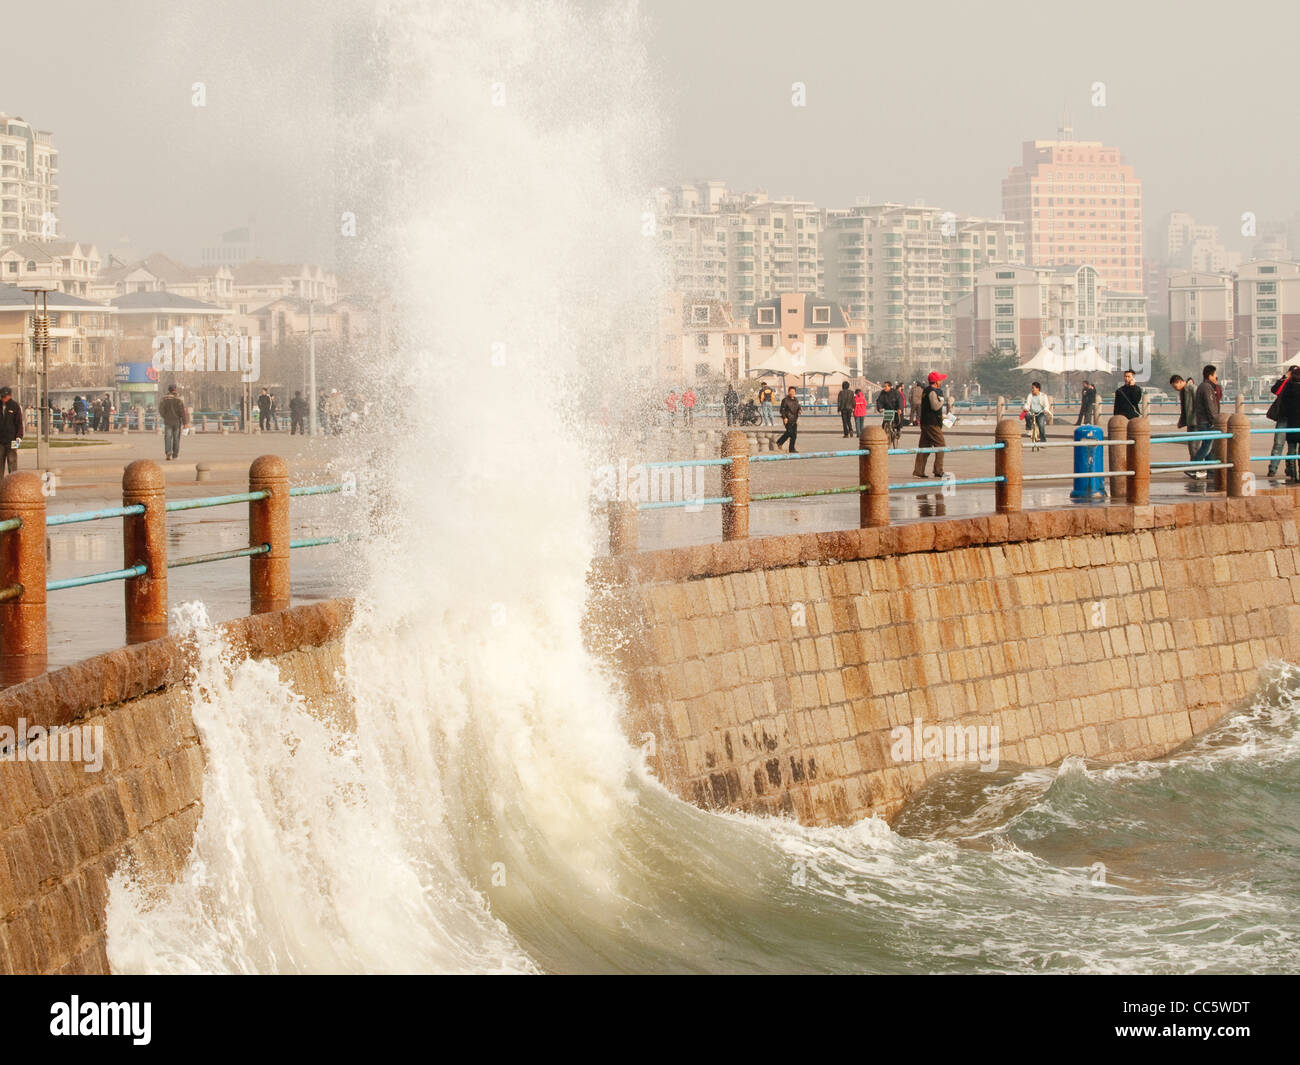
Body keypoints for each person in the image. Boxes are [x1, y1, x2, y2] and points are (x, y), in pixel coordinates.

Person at [913, 371, 948, 479]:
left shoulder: (926, 391)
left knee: (924, 447)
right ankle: (938, 470)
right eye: (940, 380)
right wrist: (942, 400)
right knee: (941, 445)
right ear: (936, 381)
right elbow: (935, 406)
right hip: (932, 424)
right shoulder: (932, 392)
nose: (941, 381)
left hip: (926, 422)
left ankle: (918, 471)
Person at [1266, 366, 1298, 481]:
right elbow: (1275, 390)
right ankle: (1273, 468)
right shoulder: (1285, 384)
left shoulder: (1297, 385)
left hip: (1294, 419)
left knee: (1292, 446)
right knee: (1278, 444)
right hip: (1283, 418)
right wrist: (1284, 378)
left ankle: (1290, 468)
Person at [1189, 364, 1221, 478]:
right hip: (1206, 422)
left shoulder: (1205, 386)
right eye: (1215, 374)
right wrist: (1214, 420)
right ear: (1210, 375)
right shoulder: (1206, 387)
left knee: (1209, 447)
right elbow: (1210, 405)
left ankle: (1211, 471)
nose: (1216, 377)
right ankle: (1193, 467)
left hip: (1203, 420)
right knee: (1206, 446)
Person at [1275, 364, 1300, 482]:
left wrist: (1284, 378)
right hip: (1297, 424)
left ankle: (1293, 474)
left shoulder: (1287, 389)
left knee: (1291, 450)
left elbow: (1276, 391)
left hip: (1290, 424)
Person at [158, 384, 189, 461]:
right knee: (176, 438)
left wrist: (165, 416)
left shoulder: (164, 399)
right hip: (177, 422)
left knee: (168, 437)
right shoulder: (179, 399)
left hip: (168, 421)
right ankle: (175, 455)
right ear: (175, 390)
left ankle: (168, 452)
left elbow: (161, 410)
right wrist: (185, 423)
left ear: (169, 390)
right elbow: (182, 412)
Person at [1171, 374, 1198, 462]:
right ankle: (1194, 466)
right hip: (1190, 421)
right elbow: (1184, 409)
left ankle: (1197, 467)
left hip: (1195, 422)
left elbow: (1198, 404)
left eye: (1175, 386)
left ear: (1180, 382)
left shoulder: (1192, 388)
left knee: (1194, 446)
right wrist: (1182, 421)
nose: (1175, 389)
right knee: (1192, 446)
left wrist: (1196, 417)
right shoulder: (1183, 391)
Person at [1022, 381, 1051, 450]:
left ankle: (1043, 442)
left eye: (1033, 388)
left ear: (1038, 388)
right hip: (1032, 412)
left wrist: (1046, 409)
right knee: (1027, 415)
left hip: (1040, 413)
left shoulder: (1043, 396)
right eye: (1032, 388)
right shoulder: (1030, 395)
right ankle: (1029, 429)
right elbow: (1027, 404)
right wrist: (1026, 408)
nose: (1032, 390)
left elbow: (1047, 405)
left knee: (1041, 426)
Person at [0, 386, 22, 477]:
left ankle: (13, 484)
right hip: (0, 440)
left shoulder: (15, 406)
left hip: (12, 440)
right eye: (2, 396)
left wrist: (19, 436)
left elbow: (19, 422)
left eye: (5, 397)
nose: (3, 399)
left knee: (12, 463)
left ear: (10, 396)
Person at [776, 385, 800, 453]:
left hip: (794, 419)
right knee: (790, 432)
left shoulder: (796, 400)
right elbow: (782, 410)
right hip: (787, 419)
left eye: (793, 391)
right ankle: (780, 442)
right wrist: (784, 417)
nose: (792, 393)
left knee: (794, 435)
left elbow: (798, 407)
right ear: (788, 392)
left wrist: (800, 410)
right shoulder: (785, 400)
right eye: (791, 391)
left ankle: (790, 448)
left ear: (795, 392)